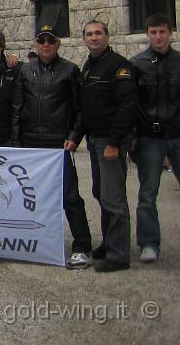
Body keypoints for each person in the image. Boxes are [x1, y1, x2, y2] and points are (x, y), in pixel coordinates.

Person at [12, 24, 93, 269]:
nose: (46, 44)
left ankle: (82, 246)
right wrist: (16, 142)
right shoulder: (25, 71)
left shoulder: (70, 70)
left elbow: (80, 109)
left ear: (58, 44)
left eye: (51, 40)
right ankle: (35, 241)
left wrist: (74, 136)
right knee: (30, 196)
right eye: (41, 40)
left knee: (69, 196)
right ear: (35, 43)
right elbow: (17, 107)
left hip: (58, 143)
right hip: (30, 144)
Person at [79, 20, 136, 273]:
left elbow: (126, 108)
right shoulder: (89, 66)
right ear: (84, 39)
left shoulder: (119, 66)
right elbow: (87, 107)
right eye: (89, 34)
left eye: (98, 33)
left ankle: (119, 255)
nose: (94, 38)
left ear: (107, 36)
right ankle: (108, 244)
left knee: (114, 199)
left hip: (109, 142)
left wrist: (114, 143)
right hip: (94, 140)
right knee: (100, 193)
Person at [130, 12, 180, 265]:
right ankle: (149, 243)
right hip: (151, 138)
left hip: (178, 134)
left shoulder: (179, 62)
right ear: (147, 34)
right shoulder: (137, 64)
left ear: (170, 32)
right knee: (148, 193)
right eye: (153, 32)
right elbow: (131, 104)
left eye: (162, 31)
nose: (158, 36)